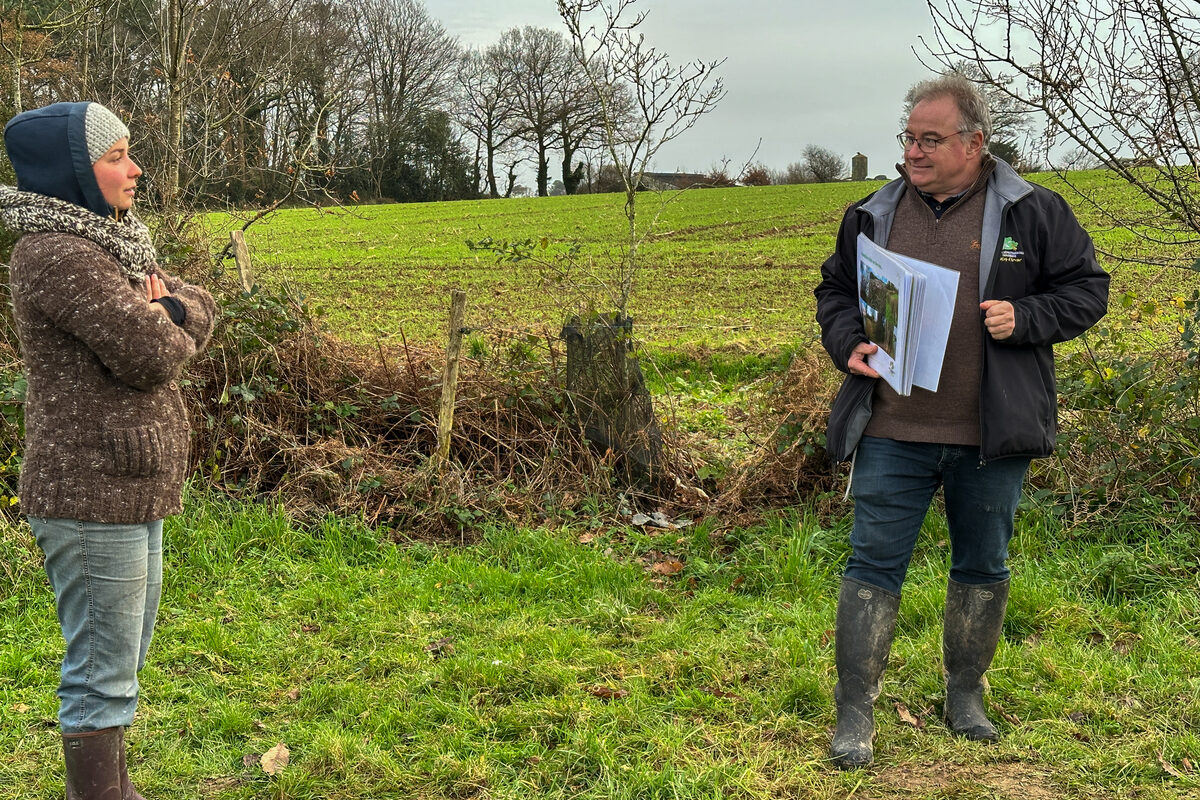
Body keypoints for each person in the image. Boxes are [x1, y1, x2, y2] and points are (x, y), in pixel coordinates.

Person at [813, 75, 1109, 769]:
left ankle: (965, 694)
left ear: (974, 143)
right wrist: (847, 340)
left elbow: (1087, 288)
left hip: (990, 435)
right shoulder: (871, 213)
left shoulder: (1032, 212)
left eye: (930, 140)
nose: (914, 152)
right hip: (891, 430)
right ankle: (855, 712)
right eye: (909, 138)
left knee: (982, 565)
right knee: (871, 566)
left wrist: (1028, 317)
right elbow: (834, 289)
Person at [2, 102, 216, 799]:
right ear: (74, 172)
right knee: (101, 674)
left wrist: (171, 306)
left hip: (132, 482)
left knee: (118, 667)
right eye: (118, 154)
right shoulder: (56, 254)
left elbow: (195, 304)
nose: (136, 168)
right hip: (90, 491)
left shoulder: (113, 244)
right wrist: (166, 315)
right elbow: (149, 353)